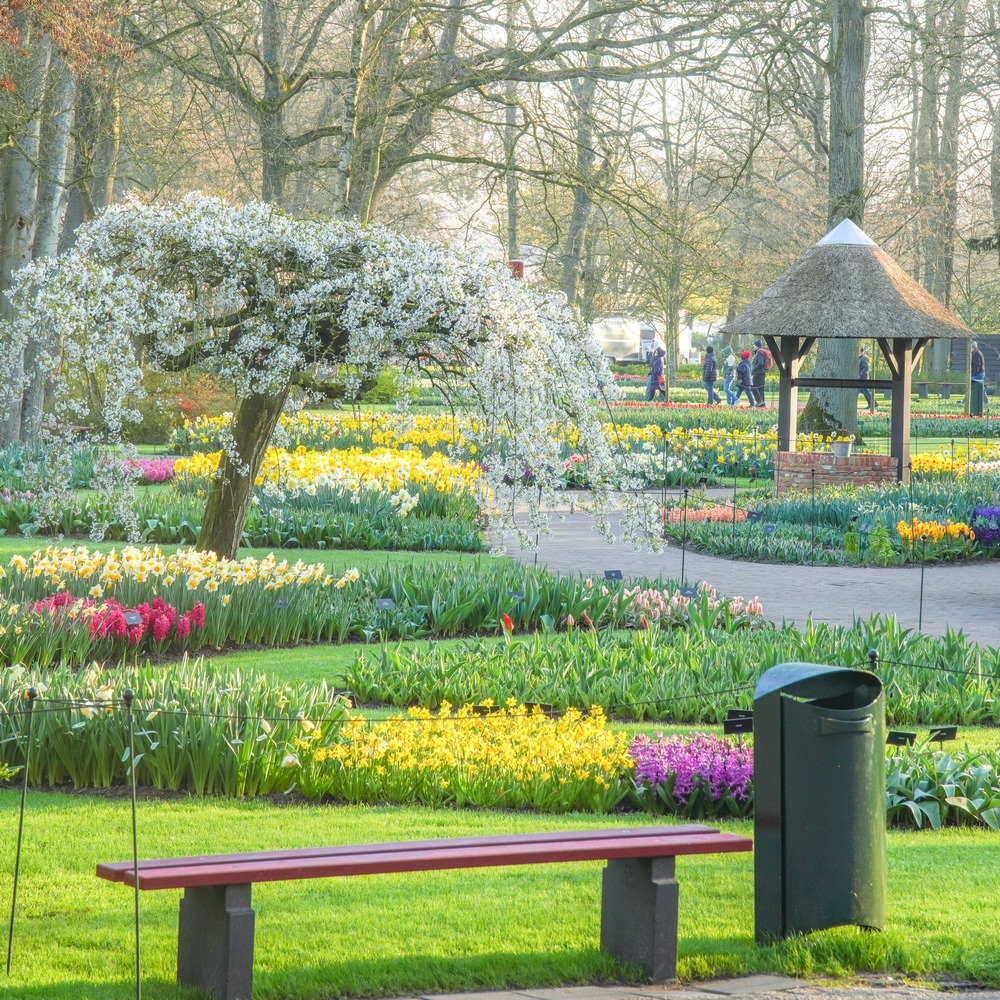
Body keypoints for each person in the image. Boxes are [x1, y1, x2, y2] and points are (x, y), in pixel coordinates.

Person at [644, 333, 666, 401]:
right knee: (660, 387)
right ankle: (663, 399)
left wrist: (653, 372)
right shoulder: (654, 351)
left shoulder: (658, 352)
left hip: (657, 373)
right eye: (651, 343)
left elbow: (658, 363)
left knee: (654, 387)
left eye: (653, 343)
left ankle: (648, 399)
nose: (651, 344)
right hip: (656, 373)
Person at [971, 341, 989, 407]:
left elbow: (977, 365)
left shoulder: (976, 353)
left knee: (972, 387)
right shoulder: (978, 352)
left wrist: (973, 374)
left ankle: (966, 401)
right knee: (981, 388)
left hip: (977, 373)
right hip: (980, 372)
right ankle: (986, 401)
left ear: (973, 347)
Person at [858, 346, 876, 412]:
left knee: (865, 391)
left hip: (863, 378)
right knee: (865, 391)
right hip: (861, 377)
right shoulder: (861, 358)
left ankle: (874, 404)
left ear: (862, 351)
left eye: (859, 351)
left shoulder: (864, 358)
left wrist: (860, 374)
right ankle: (872, 404)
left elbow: (866, 367)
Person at [751, 339, 768, 408]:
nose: (753, 346)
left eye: (754, 345)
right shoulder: (762, 352)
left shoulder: (759, 352)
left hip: (758, 373)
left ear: (757, 346)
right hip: (762, 372)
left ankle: (759, 401)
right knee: (760, 388)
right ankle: (762, 404)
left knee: (754, 387)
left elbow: (760, 363)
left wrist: (753, 370)